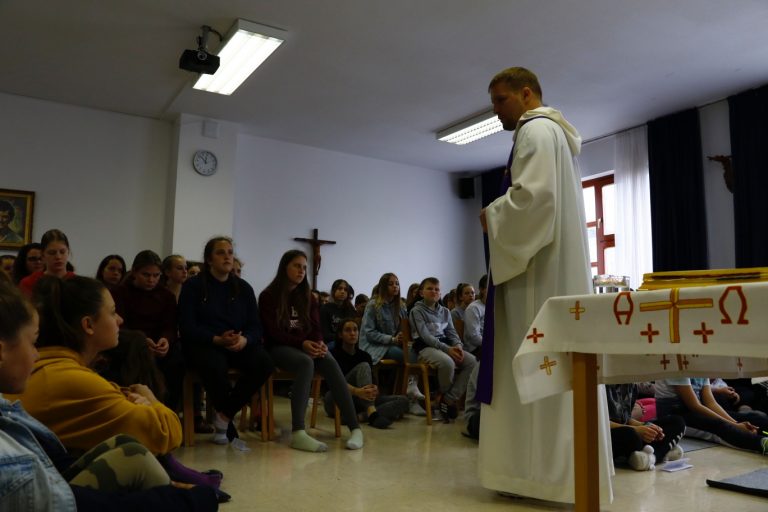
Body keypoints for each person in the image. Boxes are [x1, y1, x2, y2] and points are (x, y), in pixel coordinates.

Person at [477, 67, 614, 502]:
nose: (495, 110)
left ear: (526, 93)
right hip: (554, 270)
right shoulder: (556, 135)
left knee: (530, 367)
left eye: (500, 100)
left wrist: (492, 215)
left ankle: (535, 476)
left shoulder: (535, 131)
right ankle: (558, 477)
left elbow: (534, 201)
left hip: (536, 278)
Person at [0, 280, 218, 511]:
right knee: (144, 461)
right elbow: (165, 433)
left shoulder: (59, 371)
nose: (120, 320)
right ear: (88, 325)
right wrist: (151, 401)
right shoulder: (67, 377)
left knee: (129, 449)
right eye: (113, 312)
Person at [259, 249, 363, 452]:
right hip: (278, 348)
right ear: (285, 267)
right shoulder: (268, 296)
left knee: (329, 360)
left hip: (305, 346)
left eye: (304, 267)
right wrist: (303, 344)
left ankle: (355, 428)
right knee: (305, 362)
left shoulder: (308, 297)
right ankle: (298, 432)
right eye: (297, 266)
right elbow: (273, 332)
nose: (301, 271)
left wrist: (319, 343)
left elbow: (316, 328)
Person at [178, 237, 274, 447]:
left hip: (236, 343)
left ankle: (224, 416)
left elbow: (256, 326)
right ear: (209, 259)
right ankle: (226, 428)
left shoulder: (244, 288)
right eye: (221, 252)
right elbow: (187, 327)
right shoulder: (193, 286)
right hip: (206, 343)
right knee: (215, 365)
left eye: (230, 252)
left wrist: (245, 340)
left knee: (264, 362)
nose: (227, 257)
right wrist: (216, 339)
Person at [114, 250, 184, 410]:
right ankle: (134, 409)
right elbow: (120, 325)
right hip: (130, 344)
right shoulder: (120, 292)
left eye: (156, 275)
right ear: (134, 272)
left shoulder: (167, 296)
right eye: (146, 275)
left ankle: (168, 410)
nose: (151, 280)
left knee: (178, 362)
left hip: (159, 345)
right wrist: (141, 341)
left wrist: (165, 340)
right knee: (135, 359)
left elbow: (170, 326)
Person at [409, 277, 477, 421]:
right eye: (430, 288)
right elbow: (425, 336)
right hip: (425, 348)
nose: (434, 291)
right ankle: (441, 398)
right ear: (421, 293)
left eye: (437, 289)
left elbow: (452, 333)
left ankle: (447, 399)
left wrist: (458, 346)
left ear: (440, 293)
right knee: (448, 363)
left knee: (472, 362)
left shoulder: (445, 311)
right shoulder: (416, 311)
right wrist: (447, 349)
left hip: (445, 347)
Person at [323, 318, 409, 428]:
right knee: (363, 366)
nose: (352, 333)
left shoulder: (364, 356)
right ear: (340, 335)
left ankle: (362, 416)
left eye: (355, 330)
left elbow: (371, 383)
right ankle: (371, 413)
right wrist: (356, 391)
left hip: (362, 400)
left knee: (403, 400)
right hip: (338, 399)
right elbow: (334, 383)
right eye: (348, 330)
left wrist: (374, 389)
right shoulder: (333, 355)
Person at [359, 273, 425, 414]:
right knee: (405, 356)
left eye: (397, 283)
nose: (395, 286)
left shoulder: (400, 306)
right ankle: (410, 396)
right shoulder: (373, 305)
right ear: (383, 286)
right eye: (391, 284)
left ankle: (409, 393)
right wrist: (392, 339)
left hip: (393, 343)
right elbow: (369, 333)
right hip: (375, 345)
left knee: (416, 352)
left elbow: (405, 327)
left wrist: (402, 335)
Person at [655, 378, 768, 454]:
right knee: (720, 426)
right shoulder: (678, 363)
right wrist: (735, 426)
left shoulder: (700, 365)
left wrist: (736, 423)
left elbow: (710, 403)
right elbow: (694, 405)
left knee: (756, 419)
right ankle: (762, 443)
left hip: (696, 409)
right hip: (675, 415)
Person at [606, 383, 685, 471]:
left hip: (627, 429)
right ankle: (661, 451)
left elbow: (626, 419)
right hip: (607, 435)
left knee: (677, 422)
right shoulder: (602, 386)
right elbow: (599, 423)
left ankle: (651, 457)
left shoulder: (631, 385)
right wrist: (637, 429)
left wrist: (646, 426)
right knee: (630, 434)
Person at [19, 229, 76, 296]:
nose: (58, 257)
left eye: (62, 252)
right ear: (43, 255)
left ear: (68, 252)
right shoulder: (29, 283)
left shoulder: (78, 283)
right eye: (52, 253)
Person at [320, 279, 356, 349]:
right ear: (333, 291)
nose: (343, 291)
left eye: (345, 290)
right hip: (331, 342)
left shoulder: (351, 310)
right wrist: (343, 337)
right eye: (340, 289)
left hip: (349, 340)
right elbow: (325, 334)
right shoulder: (325, 308)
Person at [463, 274, 487, 356]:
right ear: (482, 289)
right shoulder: (473, 308)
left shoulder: (494, 306)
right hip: (476, 348)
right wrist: (492, 344)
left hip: (489, 343)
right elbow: (474, 337)